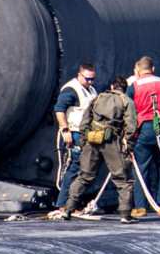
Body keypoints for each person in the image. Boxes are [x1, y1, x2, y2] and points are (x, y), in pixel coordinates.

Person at [51, 75, 139, 222]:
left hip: (92, 141)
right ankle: (125, 215)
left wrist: (85, 143)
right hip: (112, 142)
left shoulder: (97, 98)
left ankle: (67, 209)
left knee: (84, 176)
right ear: (125, 89)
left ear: (112, 86)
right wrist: (129, 146)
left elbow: (85, 121)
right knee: (123, 179)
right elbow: (131, 126)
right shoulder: (126, 101)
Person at [50, 63, 98, 211]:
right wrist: (65, 130)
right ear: (79, 75)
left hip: (87, 134)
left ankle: (74, 203)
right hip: (74, 133)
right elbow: (59, 110)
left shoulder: (91, 90)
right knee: (73, 168)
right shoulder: (71, 90)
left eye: (92, 79)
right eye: (87, 79)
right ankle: (63, 203)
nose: (90, 82)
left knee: (84, 170)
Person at [129, 56, 160, 213]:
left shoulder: (134, 86)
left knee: (141, 168)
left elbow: (128, 112)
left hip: (143, 129)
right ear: (153, 69)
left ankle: (141, 206)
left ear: (138, 71)